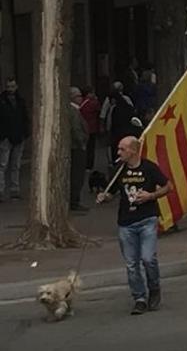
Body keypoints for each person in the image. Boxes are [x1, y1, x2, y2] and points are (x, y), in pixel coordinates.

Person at [96, 135, 172, 314]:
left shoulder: (149, 167)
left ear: (133, 150)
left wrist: (151, 196)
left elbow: (168, 186)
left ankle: (154, 288)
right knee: (131, 263)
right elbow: (112, 192)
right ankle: (139, 297)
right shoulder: (118, 170)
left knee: (148, 258)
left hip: (147, 219)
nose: (119, 152)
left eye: (122, 149)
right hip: (126, 222)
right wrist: (104, 197)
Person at [0, 78, 30, 200]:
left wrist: (25, 134)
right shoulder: (1, 101)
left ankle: (15, 190)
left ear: (16, 87)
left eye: (12, 86)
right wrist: (2, 136)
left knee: (16, 165)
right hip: (6, 138)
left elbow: (25, 118)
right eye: (8, 87)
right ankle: (0, 190)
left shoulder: (20, 101)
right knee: (3, 165)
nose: (10, 89)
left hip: (19, 137)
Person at [68, 88, 89, 211]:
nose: (81, 98)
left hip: (77, 146)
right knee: (77, 174)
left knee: (77, 174)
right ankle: (74, 201)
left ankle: (74, 199)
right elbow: (76, 129)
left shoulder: (75, 111)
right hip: (77, 147)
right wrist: (82, 142)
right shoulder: (73, 111)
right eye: (78, 96)